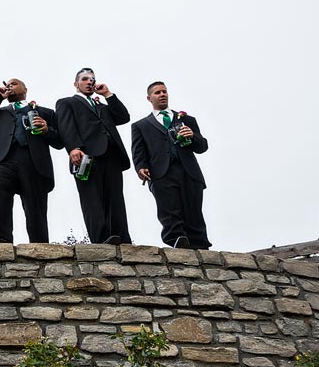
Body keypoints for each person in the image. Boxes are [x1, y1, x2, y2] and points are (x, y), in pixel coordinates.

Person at [0, 78, 63, 244]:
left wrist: (46, 130)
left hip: (33, 161)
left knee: (35, 206)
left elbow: (59, 142)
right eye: (7, 85)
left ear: (25, 89)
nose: (9, 86)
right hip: (2, 159)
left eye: (13, 84)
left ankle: (40, 244)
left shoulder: (46, 113)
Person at [55, 68, 132, 246]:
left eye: (92, 79)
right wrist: (73, 147)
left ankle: (122, 237)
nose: (90, 82)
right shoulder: (66, 103)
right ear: (76, 84)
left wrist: (108, 94)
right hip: (85, 156)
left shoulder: (102, 106)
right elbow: (65, 126)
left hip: (111, 156)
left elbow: (123, 117)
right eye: (85, 79)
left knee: (115, 198)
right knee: (92, 199)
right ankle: (101, 237)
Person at [131, 81, 211, 249]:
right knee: (169, 212)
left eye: (164, 91)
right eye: (157, 92)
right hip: (160, 174)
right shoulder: (140, 126)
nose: (162, 95)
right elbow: (138, 152)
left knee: (194, 211)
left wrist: (193, 137)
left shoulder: (187, 119)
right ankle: (177, 240)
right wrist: (140, 167)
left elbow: (202, 147)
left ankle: (201, 245)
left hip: (189, 172)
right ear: (149, 98)